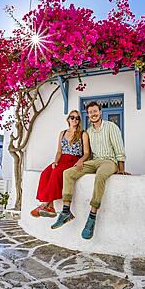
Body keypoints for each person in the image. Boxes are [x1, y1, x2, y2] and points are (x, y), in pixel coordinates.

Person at [51, 101, 129, 239]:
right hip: (93, 161)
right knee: (67, 173)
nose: (93, 114)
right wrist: (81, 162)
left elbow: (119, 148)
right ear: (88, 115)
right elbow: (88, 153)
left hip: (109, 161)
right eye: (90, 112)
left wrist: (121, 168)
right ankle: (65, 211)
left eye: (95, 111)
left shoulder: (111, 126)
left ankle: (92, 216)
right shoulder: (88, 132)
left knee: (100, 175)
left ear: (100, 112)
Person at [30, 110, 90, 218]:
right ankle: (50, 206)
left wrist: (81, 160)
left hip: (74, 160)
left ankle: (45, 204)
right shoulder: (62, 133)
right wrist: (55, 161)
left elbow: (86, 153)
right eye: (72, 117)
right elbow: (59, 151)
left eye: (77, 118)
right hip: (61, 159)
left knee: (57, 173)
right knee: (45, 173)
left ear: (79, 121)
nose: (74, 120)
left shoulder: (83, 134)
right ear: (68, 119)